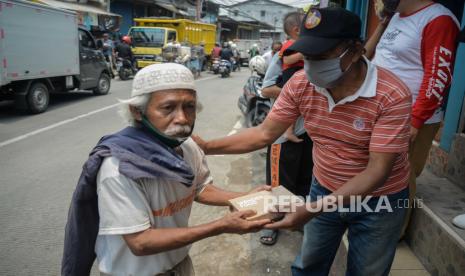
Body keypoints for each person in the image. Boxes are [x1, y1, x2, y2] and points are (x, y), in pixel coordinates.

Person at [193, 7, 412, 275]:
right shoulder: (301, 84)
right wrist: (204, 147)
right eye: (308, 55)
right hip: (324, 187)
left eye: (321, 56)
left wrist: (311, 210)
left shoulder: (391, 95)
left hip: (379, 202)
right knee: (308, 266)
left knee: (367, 272)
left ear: (355, 51)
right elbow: (264, 133)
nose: (312, 65)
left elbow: (377, 170)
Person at [61, 63, 272, 276]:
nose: (182, 118)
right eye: (168, 108)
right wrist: (220, 226)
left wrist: (243, 198)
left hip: (179, 265)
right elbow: (140, 242)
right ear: (137, 111)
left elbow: (198, 188)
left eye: (189, 106)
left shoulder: (187, 146)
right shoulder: (119, 167)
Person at [365, 0, 460, 237]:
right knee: (378, 172)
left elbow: (437, 75)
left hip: (409, 116)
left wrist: (416, 121)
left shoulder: (438, 19)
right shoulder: (396, 15)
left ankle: (392, 234)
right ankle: (372, 224)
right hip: (382, 111)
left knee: (400, 177)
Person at [258, 11, 313, 246]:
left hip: (310, 131)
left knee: (304, 178)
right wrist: (297, 95)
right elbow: (266, 88)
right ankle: (272, 221)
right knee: (279, 181)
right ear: (296, 30)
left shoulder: (317, 53)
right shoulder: (282, 56)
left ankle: (296, 218)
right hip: (283, 132)